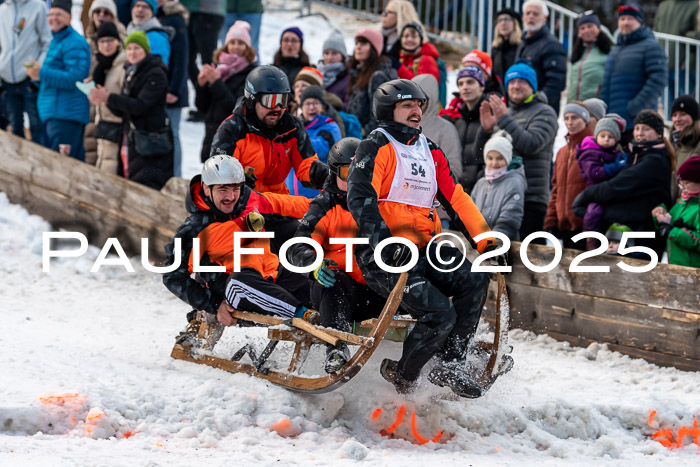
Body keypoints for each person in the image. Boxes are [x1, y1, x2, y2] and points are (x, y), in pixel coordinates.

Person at [347, 79, 503, 398]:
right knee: (438, 313)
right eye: (408, 105)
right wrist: (386, 244)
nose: (417, 111)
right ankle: (404, 374)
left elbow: (455, 197)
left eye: (419, 105)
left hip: (424, 248)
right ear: (389, 110)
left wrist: (485, 240)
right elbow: (360, 199)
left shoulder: (429, 150)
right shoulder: (375, 146)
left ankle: (450, 363)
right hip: (382, 255)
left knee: (474, 280)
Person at [163, 155, 316, 336]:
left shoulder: (248, 200)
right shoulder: (194, 229)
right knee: (241, 280)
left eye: (236, 189)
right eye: (223, 190)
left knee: (314, 281)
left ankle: (329, 317)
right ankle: (302, 315)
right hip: (236, 290)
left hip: (273, 277)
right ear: (206, 189)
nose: (231, 196)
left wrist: (325, 207)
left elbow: (285, 204)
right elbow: (172, 275)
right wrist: (214, 305)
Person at [288, 138, 387, 373]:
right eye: (347, 173)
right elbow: (298, 244)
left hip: (380, 290)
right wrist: (314, 263)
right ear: (334, 173)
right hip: (342, 294)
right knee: (332, 277)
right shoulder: (324, 205)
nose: (355, 180)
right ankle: (336, 347)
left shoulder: (383, 201)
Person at [210, 65, 328, 195]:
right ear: (252, 99)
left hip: (277, 204)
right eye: (270, 100)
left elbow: (306, 165)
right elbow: (217, 175)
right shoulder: (233, 129)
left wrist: (326, 176)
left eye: (282, 100)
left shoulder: (291, 128)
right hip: (242, 204)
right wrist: (237, 182)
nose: (277, 108)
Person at [573, 110, 674, 257]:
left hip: (640, 236)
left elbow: (618, 186)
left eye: (646, 129)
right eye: (637, 128)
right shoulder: (636, 156)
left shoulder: (654, 160)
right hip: (622, 233)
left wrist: (587, 195)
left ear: (659, 134)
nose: (640, 133)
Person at [479, 61, 558, 241]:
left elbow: (532, 144)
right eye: (512, 82)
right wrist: (485, 132)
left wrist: (504, 119)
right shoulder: (505, 114)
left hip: (531, 198)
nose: (516, 86)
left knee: (529, 260)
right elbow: (484, 155)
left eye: (522, 81)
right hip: (501, 197)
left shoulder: (545, 112)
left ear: (532, 86)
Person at [90, 31, 173, 189]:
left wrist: (109, 98)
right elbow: (125, 111)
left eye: (137, 48)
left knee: (146, 185)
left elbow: (140, 106)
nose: (132, 52)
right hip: (133, 137)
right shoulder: (132, 72)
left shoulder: (155, 73)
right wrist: (103, 100)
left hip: (150, 140)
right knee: (130, 180)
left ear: (145, 50)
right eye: (129, 48)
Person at [30, 0, 90, 161]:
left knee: (65, 166)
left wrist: (41, 74)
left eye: (59, 15)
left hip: (66, 115)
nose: (53, 18)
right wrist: (35, 77)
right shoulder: (54, 41)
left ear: (69, 18)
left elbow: (75, 79)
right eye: (51, 14)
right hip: (52, 114)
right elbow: (50, 77)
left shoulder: (75, 43)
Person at [601, 3, 667, 144]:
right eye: (622, 19)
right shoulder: (616, 49)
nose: (625, 22)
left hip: (637, 124)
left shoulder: (651, 46)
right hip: (614, 122)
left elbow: (658, 80)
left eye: (630, 19)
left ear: (639, 22)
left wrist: (635, 108)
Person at [196, 20, 256, 162]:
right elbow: (202, 107)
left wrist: (216, 83)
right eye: (232, 42)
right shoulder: (220, 69)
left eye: (240, 43)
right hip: (211, 136)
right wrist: (202, 85)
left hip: (234, 139)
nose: (236, 47)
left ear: (247, 47)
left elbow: (236, 106)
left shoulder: (251, 73)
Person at [0, 0, 52, 144]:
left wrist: (37, 67)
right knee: (15, 126)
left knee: (36, 126)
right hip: (6, 79)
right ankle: (17, 165)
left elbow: (47, 42)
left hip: (29, 78)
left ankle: (40, 164)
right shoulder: (3, 10)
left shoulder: (37, 7)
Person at [543, 102, 593, 250]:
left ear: (585, 120)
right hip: (565, 225)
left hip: (585, 224)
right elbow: (556, 189)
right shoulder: (562, 152)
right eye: (567, 118)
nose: (570, 123)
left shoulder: (592, 147)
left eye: (575, 118)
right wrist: (551, 220)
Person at [576, 114, 628, 249]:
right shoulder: (590, 152)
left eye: (610, 137)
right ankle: (591, 241)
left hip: (610, 191)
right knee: (594, 212)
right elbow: (594, 174)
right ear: (596, 136)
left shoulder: (616, 153)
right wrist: (615, 167)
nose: (606, 139)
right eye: (603, 136)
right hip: (596, 190)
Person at [286, 85, 342, 199]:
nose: (311, 107)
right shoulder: (295, 127)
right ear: (301, 107)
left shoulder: (330, 126)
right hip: (292, 196)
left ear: (322, 106)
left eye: (315, 103)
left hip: (317, 195)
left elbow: (320, 148)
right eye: (307, 104)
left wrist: (293, 140)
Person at [440, 65, 489, 192]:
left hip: (482, 188)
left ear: (482, 86)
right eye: (461, 84)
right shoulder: (459, 120)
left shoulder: (490, 115)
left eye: (470, 82)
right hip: (460, 189)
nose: (465, 87)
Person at [471, 131, 526, 241]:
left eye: (500, 158)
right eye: (490, 158)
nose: (494, 163)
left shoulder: (514, 182)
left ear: (507, 158)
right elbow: (470, 212)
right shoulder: (481, 183)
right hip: (477, 242)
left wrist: (493, 241)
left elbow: (510, 218)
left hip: (501, 245)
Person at [515, 0, 566, 115]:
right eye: (528, 13)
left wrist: (536, 103)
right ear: (523, 17)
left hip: (542, 112)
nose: (531, 17)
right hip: (522, 109)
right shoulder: (523, 42)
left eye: (535, 14)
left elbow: (556, 82)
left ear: (545, 18)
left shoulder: (552, 44)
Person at [89, 22, 126, 174]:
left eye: (110, 40)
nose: (106, 45)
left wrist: (105, 99)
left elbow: (126, 99)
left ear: (118, 42)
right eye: (102, 41)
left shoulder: (122, 66)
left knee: (111, 170)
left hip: (118, 127)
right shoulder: (102, 66)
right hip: (103, 124)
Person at [345, 29, 397, 136]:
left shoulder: (378, 76)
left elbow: (378, 117)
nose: (358, 47)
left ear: (373, 49)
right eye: (357, 43)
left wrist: (364, 135)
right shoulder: (358, 73)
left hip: (366, 141)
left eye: (363, 43)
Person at [157, 0, 188, 178]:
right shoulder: (159, 17)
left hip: (172, 90)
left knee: (172, 134)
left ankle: (175, 175)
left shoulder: (175, 19)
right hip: (161, 89)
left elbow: (182, 57)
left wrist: (174, 89)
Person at [412, 74, 461, 183]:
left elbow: (454, 169)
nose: (416, 104)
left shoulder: (445, 129)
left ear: (431, 98)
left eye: (421, 99)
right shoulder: (400, 125)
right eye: (412, 98)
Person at [652, 155, 700, 267]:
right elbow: (667, 225)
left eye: (687, 182)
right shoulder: (682, 202)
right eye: (680, 182)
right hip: (674, 262)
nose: (682, 186)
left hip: (692, 268)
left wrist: (672, 231)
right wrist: (660, 213)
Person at [653, 0, 699, 100]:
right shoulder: (663, 6)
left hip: (684, 69)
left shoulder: (695, 6)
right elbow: (656, 33)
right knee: (669, 109)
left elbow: (697, 35)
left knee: (686, 109)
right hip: (663, 67)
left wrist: (688, 64)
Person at [568, 12, 612, 102]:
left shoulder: (609, 51)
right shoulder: (578, 52)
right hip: (576, 107)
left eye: (590, 26)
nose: (586, 30)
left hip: (597, 108)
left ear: (598, 27)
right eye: (582, 28)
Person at [126, 0, 173, 66]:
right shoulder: (129, 31)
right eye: (137, 6)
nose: (140, 10)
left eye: (145, 7)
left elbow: (158, 69)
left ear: (152, 12)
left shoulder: (156, 37)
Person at [318, 30, 350, 106]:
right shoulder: (315, 73)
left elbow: (348, 106)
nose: (329, 57)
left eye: (334, 53)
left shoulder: (348, 77)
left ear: (342, 56)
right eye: (326, 53)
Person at [491, 8, 522, 86]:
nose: (503, 23)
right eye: (500, 20)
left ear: (515, 23)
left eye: (507, 19)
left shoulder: (521, 47)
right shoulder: (496, 49)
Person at [670, 95, 700, 169]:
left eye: (683, 114)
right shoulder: (672, 143)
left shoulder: (697, 144)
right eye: (674, 115)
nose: (677, 119)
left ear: (694, 118)